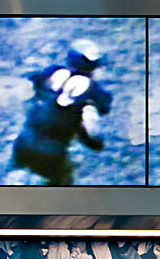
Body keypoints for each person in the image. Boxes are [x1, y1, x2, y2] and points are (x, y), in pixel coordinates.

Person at [12, 40, 112, 186]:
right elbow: (92, 132)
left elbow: (30, 89)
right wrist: (94, 141)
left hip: (24, 142)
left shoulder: (51, 72)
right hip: (52, 152)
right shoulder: (93, 92)